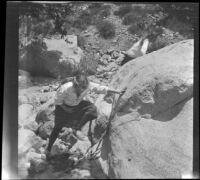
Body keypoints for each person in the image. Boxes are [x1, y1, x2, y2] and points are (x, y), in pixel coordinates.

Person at [45, 72, 123, 156]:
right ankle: (48, 149)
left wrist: (117, 91)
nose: (83, 89)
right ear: (75, 86)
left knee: (92, 109)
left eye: (84, 88)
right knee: (57, 128)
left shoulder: (87, 85)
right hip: (62, 108)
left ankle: (76, 128)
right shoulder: (66, 88)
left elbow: (99, 88)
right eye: (81, 88)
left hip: (76, 106)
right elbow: (58, 102)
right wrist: (67, 109)